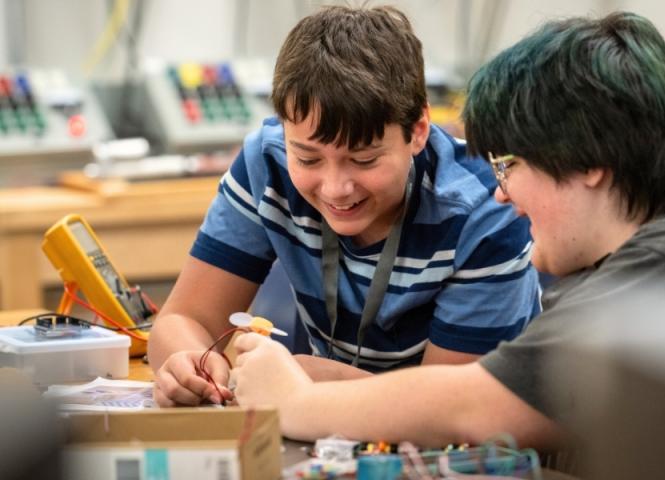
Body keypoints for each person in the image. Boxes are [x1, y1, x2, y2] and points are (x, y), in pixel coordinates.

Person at [228, 12, 665, 452]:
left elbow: (478, 405)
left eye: (510, 166)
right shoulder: (642, 263)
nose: (501, 193)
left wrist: (295, 401)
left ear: (587, 159)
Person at [148, 5, 541, 407]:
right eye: (308, 159)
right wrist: (188, 362)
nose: (336, 189)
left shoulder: (485, 209)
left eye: (365, 160)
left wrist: (326, 386)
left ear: (418, 131)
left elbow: (451, 412)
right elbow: (183, 320)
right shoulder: (266, 164)